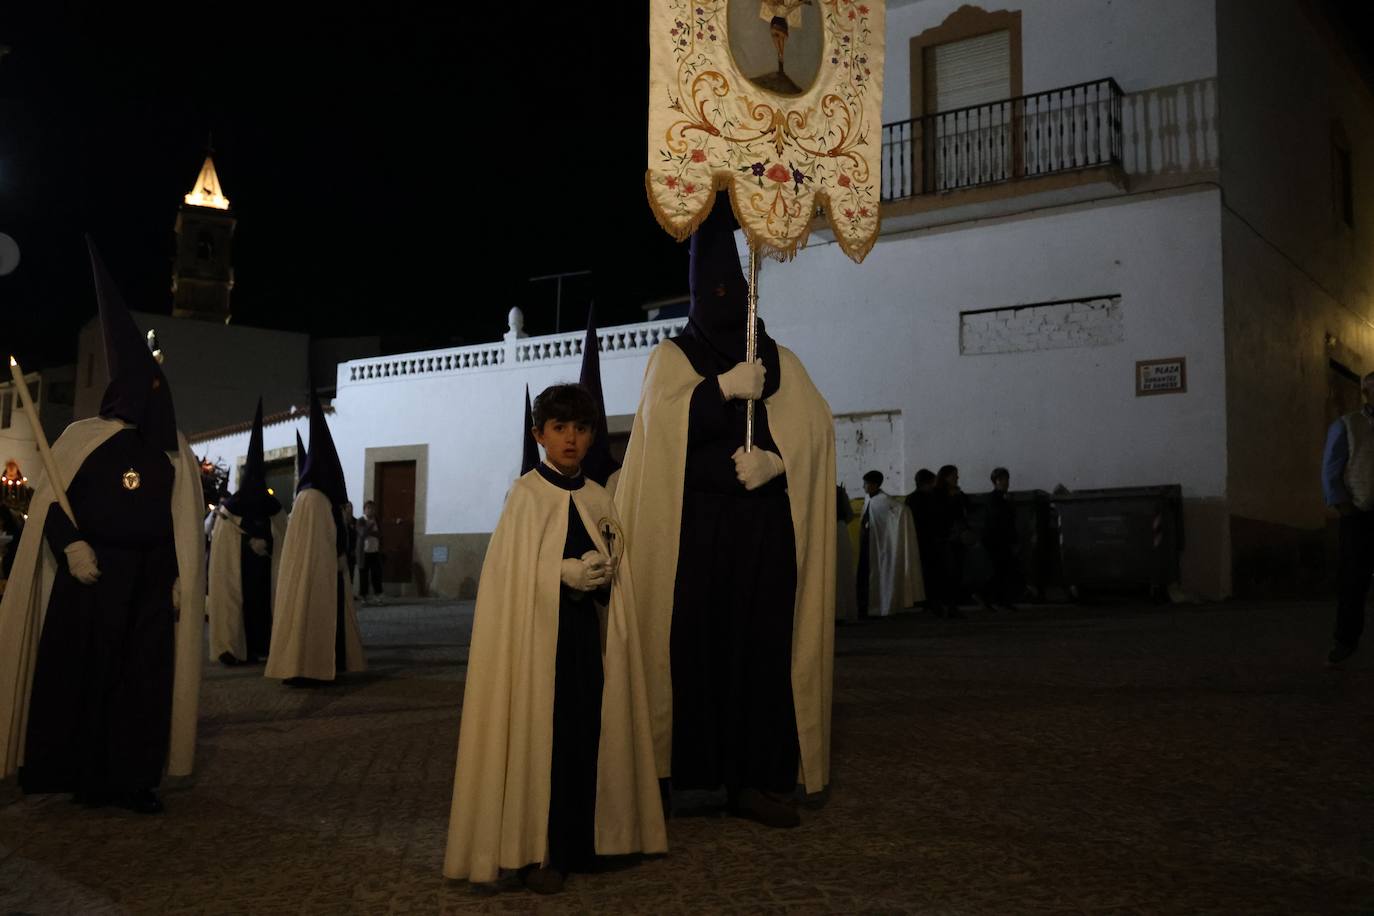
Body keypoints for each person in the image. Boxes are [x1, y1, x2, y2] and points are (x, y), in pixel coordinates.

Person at [615, 200, 836, 828]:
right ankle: (673, 775)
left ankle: (755, 779)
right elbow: (656, 437)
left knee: (760, 652)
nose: (726, 306)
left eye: (734, 295)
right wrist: (716, 393)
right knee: (690, 653)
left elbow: (817, 434)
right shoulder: (671, 359)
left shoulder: (779, 361)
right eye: (713, 293)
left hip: (763, 537)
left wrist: (778, 464)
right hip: (693, 539)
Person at [0, 239, 205, 813]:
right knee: (87, 673)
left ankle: (134, 778)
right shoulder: (81, 438)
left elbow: (178, 525)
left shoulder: (173, 452)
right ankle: (83, 773)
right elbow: (47, 507)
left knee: (142, 678)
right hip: (92, 577)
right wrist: (71, 546)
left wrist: (176, 575)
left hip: (147, 579)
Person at [444, 384, 666, 893]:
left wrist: (602, 574)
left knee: (585, 737)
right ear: (539, 435)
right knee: (542, 740)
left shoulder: (598, 497)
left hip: (588, 640)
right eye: (560, 428)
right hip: (535, 647)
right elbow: (506, 579)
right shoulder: (525, 496)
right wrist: (558, 572)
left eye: (581, 429)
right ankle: (536, 849)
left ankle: (581, 844)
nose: (571, 439)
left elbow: (617, 561)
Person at [265, 391, 367, 685]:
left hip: (325, 571)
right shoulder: (313, 499)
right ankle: (307, 664)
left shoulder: (314, 498)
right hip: (318, 572)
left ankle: (318, 661)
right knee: (310, 611)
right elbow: (319, 542)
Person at [207, 398, 285, 666]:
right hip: (240, 572)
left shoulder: (271, 506)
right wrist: (246, 546)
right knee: (240, 607)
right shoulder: (231, 508)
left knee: (262, 609)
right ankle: (235, 645)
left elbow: (285, 538)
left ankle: (263, 646)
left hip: (264, 574)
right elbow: (223, 550)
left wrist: (268, 546)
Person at [1321, 370, 1374, 667]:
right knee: (1353, 581)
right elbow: (1331, 470)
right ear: (1366, 393)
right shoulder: (1348, 425)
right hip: (1360, 514)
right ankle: (1345, 640)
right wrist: (1344, 508)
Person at [857, 471, 923, 617]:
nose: (863, 487)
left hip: (880, 546)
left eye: (866, 484)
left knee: (878, 574)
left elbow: (901, 512)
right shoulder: (870, 499)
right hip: (868, 544)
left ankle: (878, 606)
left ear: (874, 485)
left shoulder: (885, 501)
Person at [934, 464, 969, 618]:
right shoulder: (939, 494)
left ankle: (952, 605)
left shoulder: (956, 493)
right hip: (946, 537)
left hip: (956, 537)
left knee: (956, 572)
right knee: (949, 572)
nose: (957, 478)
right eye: (954, 475)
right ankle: (947, 605)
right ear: (946, 477)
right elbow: (944, 514)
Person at [982, 467, 1020, 611]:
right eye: (1002, 479)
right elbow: (1000, 520)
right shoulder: (996, 499)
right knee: (1000, 571)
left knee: (1002, 571)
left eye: (1006, 479)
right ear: (995, 481)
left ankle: (998, 599)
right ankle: (993, 598)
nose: (1006, 482)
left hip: (999, 540)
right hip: (997, 540)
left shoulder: (999, 498)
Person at [834, 484, 858, 624]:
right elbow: (849, 515)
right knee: (843, 572)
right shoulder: (839, 490)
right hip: (840, 529)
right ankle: (845, 611)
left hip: (822, 532)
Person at [358, 501, 383, 605]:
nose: (370, 510)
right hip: (364, 553)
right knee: (363, 576)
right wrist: (371, 528)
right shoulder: (361, 520)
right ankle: (363, 597)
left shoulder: (377, 520)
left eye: (372, 508)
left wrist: (371, 532)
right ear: (364, 510)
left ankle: (378, 596)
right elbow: (362, 533)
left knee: (376, 575)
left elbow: (380, 534)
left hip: (375, 552)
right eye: (368, 508)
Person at [341, 501, 359, 587]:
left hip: (353, 550)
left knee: (351, 571)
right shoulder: (341, 522)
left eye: (350, 507)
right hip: (343, 550)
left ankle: (350, 591)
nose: (349, 509)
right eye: (347, 507)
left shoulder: (356, 522)